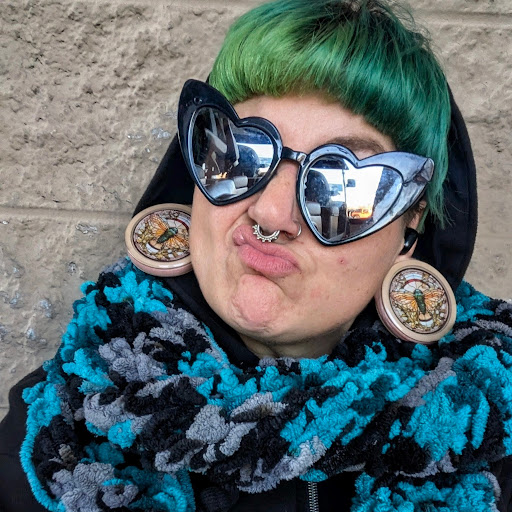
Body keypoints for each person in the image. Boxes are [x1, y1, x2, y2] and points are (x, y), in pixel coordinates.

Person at [1, 0, 511, 510]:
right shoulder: (53, 436)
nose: (270, 214)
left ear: (411, 224)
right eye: (242, 155)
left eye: (342, 186)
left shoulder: (495, 420)